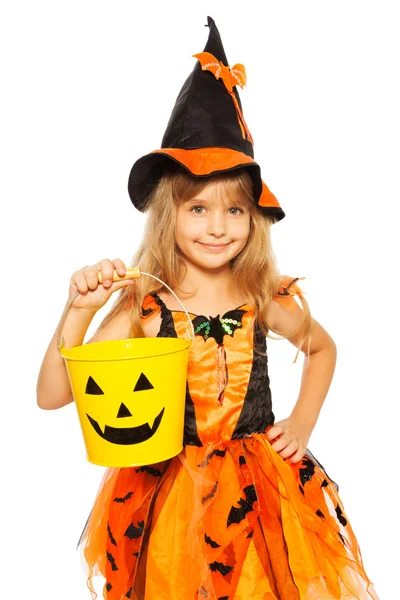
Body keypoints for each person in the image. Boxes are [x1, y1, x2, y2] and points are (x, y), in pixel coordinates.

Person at [36, 15, 380, 600]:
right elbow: (53, 395)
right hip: (170, 493)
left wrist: (300, 423)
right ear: (171, 213)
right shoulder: (147, 306)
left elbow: (322, 346)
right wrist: (76, 313)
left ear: (254, 218)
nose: (217, 227)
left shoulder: (260, 298)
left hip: (261, 493)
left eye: (235, 211)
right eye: (198, 209)